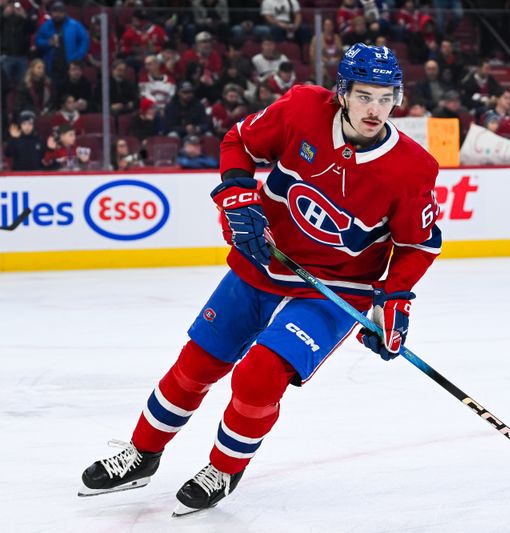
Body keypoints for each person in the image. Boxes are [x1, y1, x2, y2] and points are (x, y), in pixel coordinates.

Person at [78, 42, 442, 516]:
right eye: (364, 96)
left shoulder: (413, 168)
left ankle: (224, 469)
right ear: (342, 92)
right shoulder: (301, 109)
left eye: (386, 97)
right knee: (197, 364)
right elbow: (240, 142)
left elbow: (418, 244)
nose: (376, 109)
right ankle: (143, 453)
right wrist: (235, 192)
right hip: (265, 258)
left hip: (336, 288)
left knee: (259, 375)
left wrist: (394, 298)